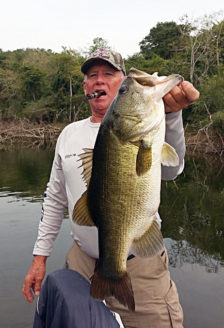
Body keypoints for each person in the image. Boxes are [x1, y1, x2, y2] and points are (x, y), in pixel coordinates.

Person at [22, 49, 200, 327]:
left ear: (120, 82)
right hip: (80, 264)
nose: (99, 81)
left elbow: (172, 170)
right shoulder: (68, 134)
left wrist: (172, 114)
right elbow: (55, 200)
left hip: (141, 267)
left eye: (109, 74)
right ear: (85, 87)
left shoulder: (148, 125)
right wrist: (39, 258)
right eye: (92, 76)